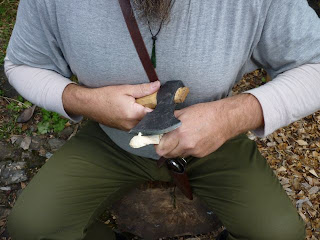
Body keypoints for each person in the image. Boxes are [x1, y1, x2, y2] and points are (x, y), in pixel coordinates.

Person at [4, 0, 320, 239]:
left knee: (280, 233)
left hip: (214, 141)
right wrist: (84, 101)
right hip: (111, 140)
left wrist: (234, 115)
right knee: (32, 227)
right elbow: (22, 63)